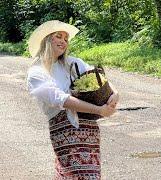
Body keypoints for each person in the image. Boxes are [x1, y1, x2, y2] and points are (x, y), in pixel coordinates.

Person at [26, 20, 119, 179]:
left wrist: (115, 94)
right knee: (72, 175)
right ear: (47, 40)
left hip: (89, 130)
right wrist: (99, 110)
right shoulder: (36, 72)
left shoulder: (72, 63)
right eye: (58, 36)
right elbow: (60, 100)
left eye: (66, 39)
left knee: (91, 175)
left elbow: (98, 77)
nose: (63, 41)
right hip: (63, 131)